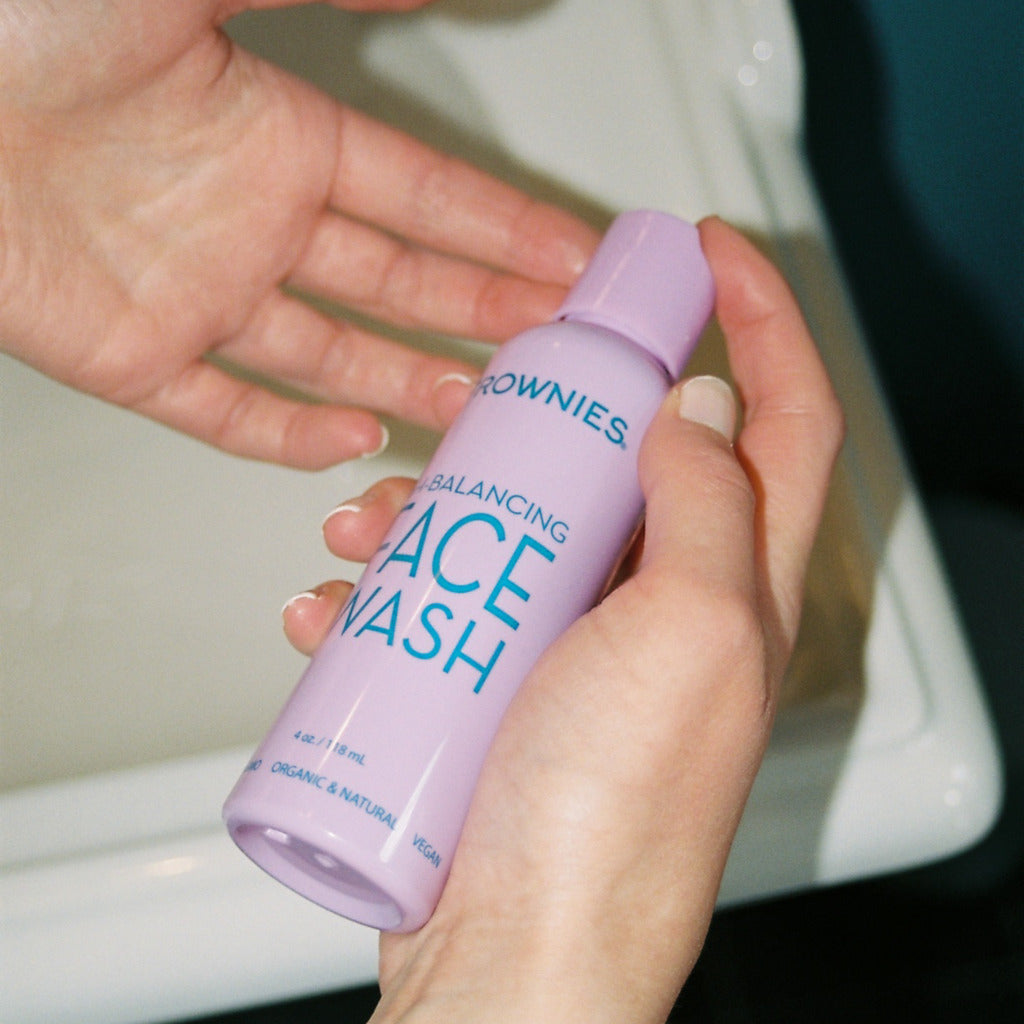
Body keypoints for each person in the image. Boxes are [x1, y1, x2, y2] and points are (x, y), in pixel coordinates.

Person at [1, 3, 843, 1021]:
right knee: (431, 553)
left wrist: (510, 945)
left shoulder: (599, 382)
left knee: (436, 553)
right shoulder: (549, 355)